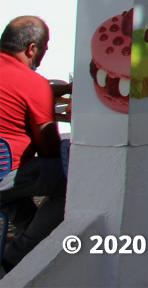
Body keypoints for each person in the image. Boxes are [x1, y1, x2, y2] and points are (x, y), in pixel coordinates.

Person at [0, 17, 69, 269]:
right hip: (6, 175)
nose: (44, 54)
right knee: (71, 182)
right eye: (45, 48)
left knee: (19, 189)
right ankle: (16, 255)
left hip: (8, 180)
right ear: (31, 49)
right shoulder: (33, 83)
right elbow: (49, 148)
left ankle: (26, 236)